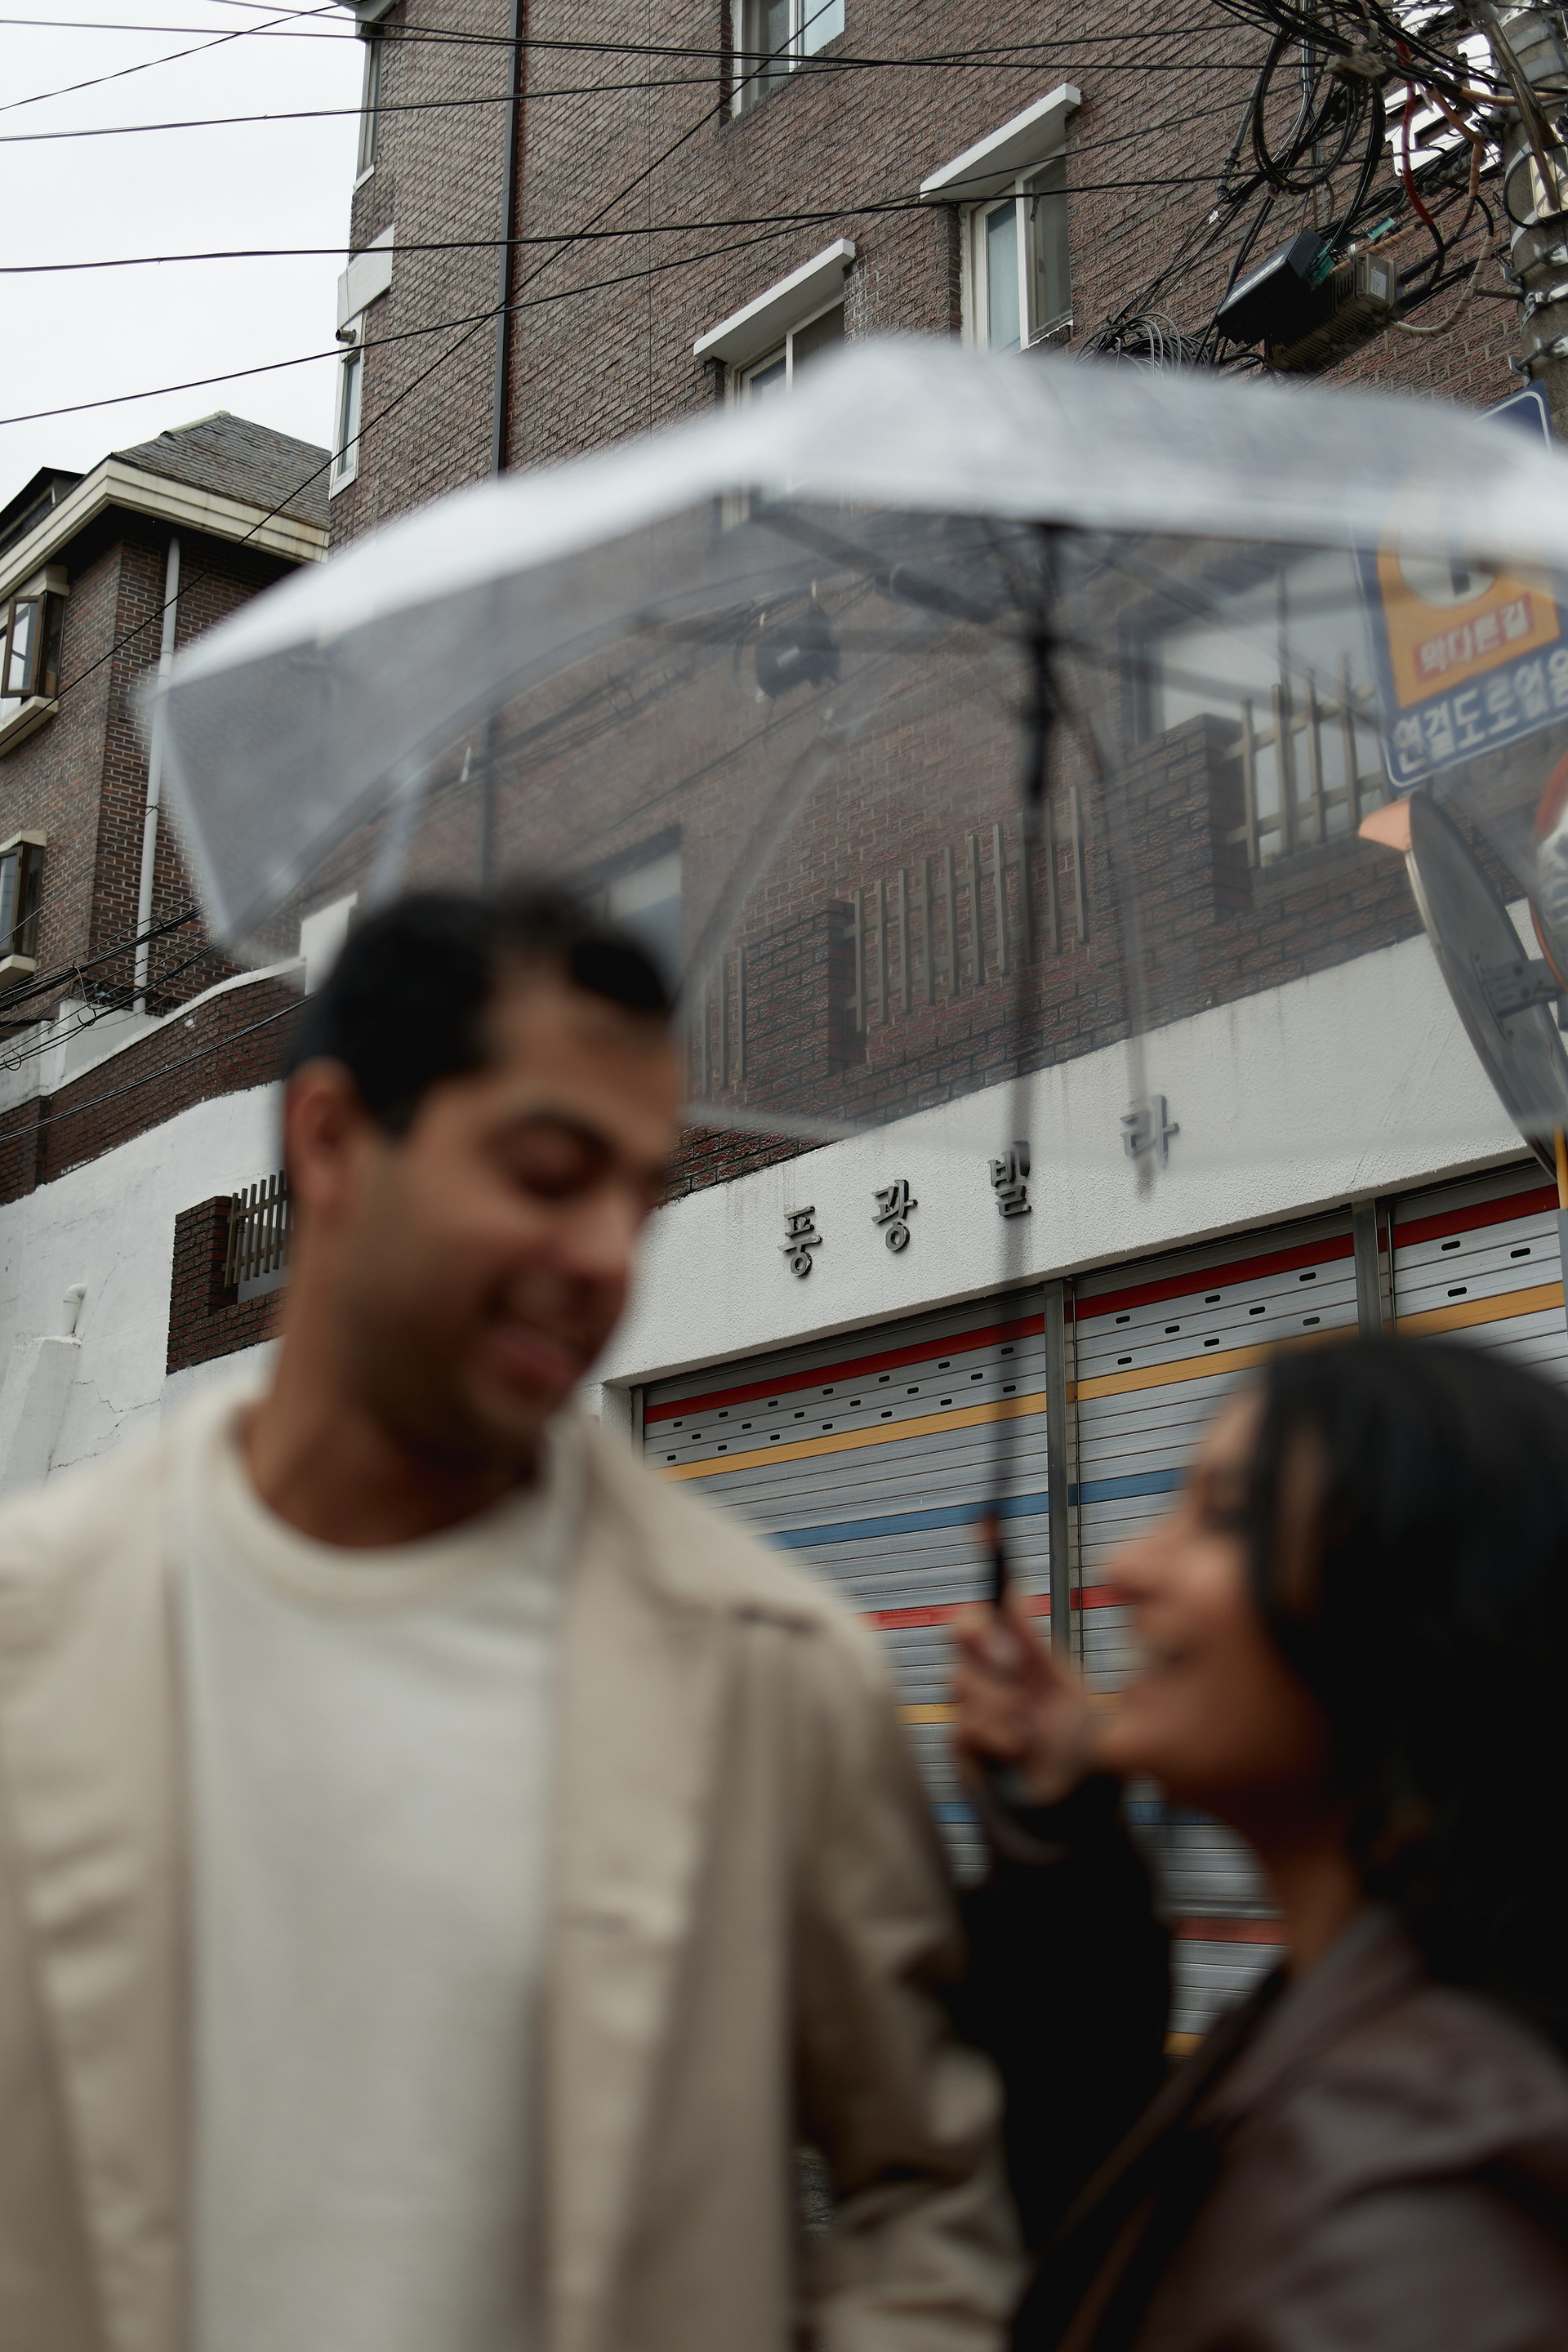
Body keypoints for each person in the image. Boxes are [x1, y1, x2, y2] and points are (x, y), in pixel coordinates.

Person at [0, 887, 1019, 2352]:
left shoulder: (766, 1677)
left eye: (638, 1194)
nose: (608, 1254)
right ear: (333, 1143)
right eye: (548, 1175)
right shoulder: (41, 1636)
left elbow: (927, 2197)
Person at [952, 1334, 1568, 2352]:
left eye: (1225, 1516)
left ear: (1411, 1623)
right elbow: (1110, 2221)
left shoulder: (1417, 2178)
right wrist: (1065, 1832)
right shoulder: (1352, 2016)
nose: (1125, 1566)